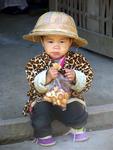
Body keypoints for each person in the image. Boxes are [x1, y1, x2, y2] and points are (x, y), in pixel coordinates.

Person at [23, 11, 94, 146]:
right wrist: (47, 77)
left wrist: (75, 78)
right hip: (43, 98)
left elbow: (88, 79)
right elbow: (33, 82)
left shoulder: (78, 60)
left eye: (62, 41)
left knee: (77, 109)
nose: (56, 46)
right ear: (42, 42)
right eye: (50, 41)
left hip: (69, 97)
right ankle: (43, 134)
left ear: (70, 42)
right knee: (40, 112)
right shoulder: (35, 62)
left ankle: (78, 128)